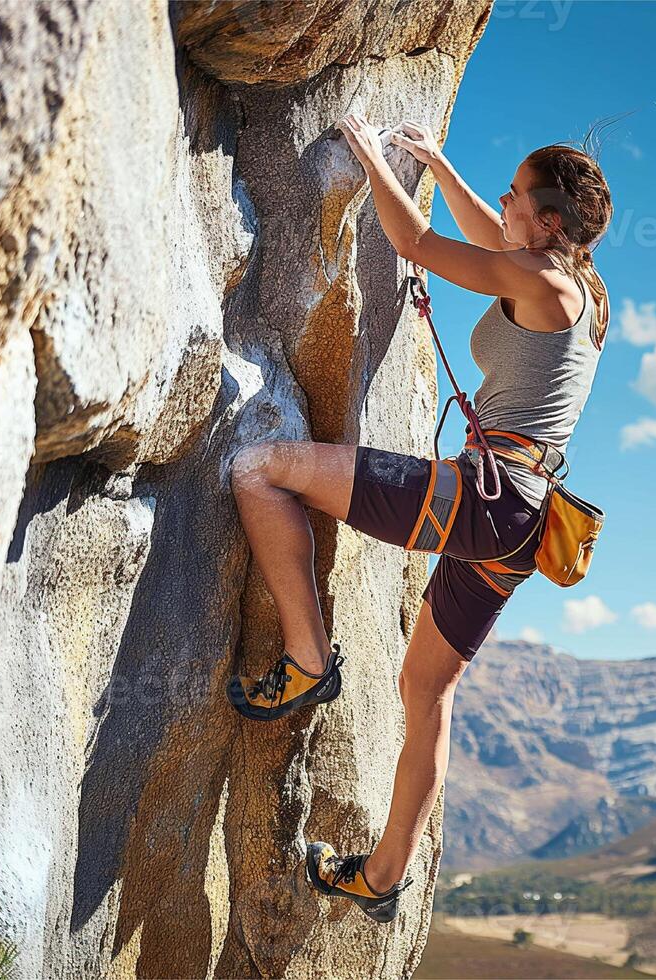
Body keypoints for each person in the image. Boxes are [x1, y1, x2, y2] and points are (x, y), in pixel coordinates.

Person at [225, 112, 611, 923]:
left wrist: (372, 159)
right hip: (520, 519)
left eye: (514, 198)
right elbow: (491, 235)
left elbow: (421, 247)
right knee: (426, 685)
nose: (501, 205)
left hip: (487, 497)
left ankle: (305, 660)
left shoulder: (541, 283)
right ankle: (382, 877)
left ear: (548, 222)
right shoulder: (580, 290)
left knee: (260, 470)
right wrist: (437, 162)